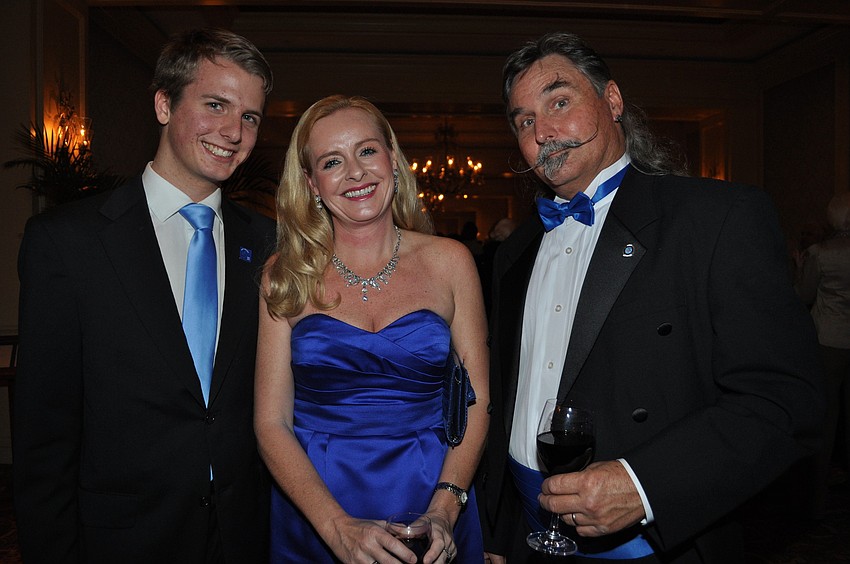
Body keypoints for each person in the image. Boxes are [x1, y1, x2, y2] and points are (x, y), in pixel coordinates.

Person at [476, 31, 824, 563]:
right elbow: (507, 397)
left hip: (655, 540)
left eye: (560, 101)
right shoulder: (515, 251)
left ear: (612, 101)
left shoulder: (717, 218)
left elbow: (783, 401)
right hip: (529, 535)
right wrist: (497, 531)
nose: (543, 131)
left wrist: (644, 486)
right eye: (524, 120)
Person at [14, 28, 274, 563]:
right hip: (121, 539)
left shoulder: (270, 244)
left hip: (245, 535)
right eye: (216, 105)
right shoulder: (68, 242)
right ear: (163, 103)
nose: (233, 131)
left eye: (249, 116)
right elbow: (44, 435)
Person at [254, 94, 489, 563]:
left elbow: (478, 403)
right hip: (316, 507)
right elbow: (270, 422)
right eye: (332, 161)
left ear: (393, 160)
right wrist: (334, 527)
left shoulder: (451, 262)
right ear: (312, 184)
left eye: (367, 151)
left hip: (432, 495)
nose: (356, 173)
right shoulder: (284, 273)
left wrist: (445, 509)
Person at [796, 191, 850, 520]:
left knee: (826, 418)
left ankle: (814, 499)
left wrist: (800, 268)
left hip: (829, 342)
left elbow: (803, 296)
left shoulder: (821, 253)